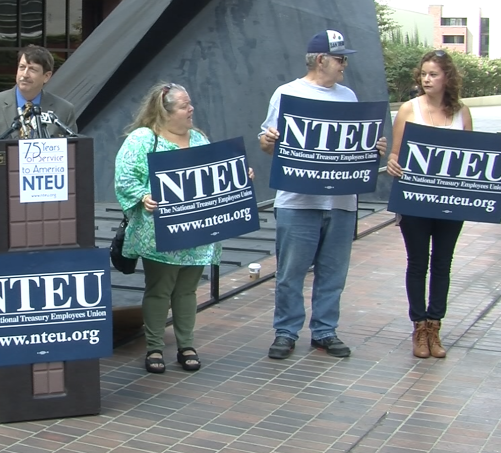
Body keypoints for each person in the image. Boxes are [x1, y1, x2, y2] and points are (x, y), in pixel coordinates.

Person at [259, 30, 386, 360]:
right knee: (290, 273)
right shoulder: (286, 93)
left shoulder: (349, 97)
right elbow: (265, 142)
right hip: (298, 201)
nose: (345, 65)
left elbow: (356, 146)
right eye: (341, 59)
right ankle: (286, 331)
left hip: (342, 202)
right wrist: (270, 140)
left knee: (333, 272)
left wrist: (373, 149)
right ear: (321, 60)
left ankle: (325, 331)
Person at [0, 44, 77, 394]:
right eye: (21, 66)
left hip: (49, 217)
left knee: (42, 287)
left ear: (47, 76)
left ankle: (45, 358)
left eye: (32, 69)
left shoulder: (63, 111)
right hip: (2, 213)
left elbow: (75, 153)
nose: (24, 74)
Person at [114, 82, 231, 373]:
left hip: (196, 233)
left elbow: (214, 177)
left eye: (190, 104)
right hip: (160, 234)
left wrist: (238, 174)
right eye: (184, 105)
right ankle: (154, 348)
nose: (191, 109)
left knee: (187, 291)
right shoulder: (143, 139)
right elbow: (124, 177)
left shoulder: (199, 139)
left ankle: (186, 345)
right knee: (159, 290)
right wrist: (143, 196)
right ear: (165, 112)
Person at [386, 50, 473, 359]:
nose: (426, 79)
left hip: (451, 201)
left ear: (447, 77)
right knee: (417, 262)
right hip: (415, 200)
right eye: (423, 73)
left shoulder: (462, 112)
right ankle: (418, 326)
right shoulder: (409, 109)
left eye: (433, 74)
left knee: (442, 262)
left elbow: (471, 156)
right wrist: (394, 164)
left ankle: (435, 326)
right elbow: (395, 154)